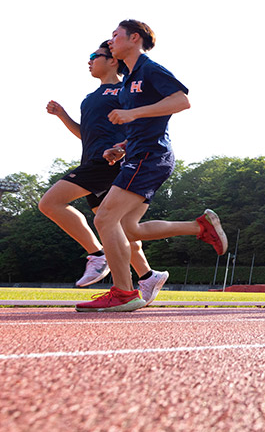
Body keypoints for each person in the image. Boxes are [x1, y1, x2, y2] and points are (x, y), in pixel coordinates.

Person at [75, 19, 227, 312]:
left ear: (134, 38)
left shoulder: (149, 69)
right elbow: (146, 123)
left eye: (115, 36)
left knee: (105, 219)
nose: (111, 42)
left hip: (151, 156)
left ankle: (124, 292)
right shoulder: (130, 79)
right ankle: (199, 227)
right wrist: (122, 147)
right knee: (128, 228)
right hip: (138, 154)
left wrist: (134, 115)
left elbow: (182, 101)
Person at [39, 41, 168, 304]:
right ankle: (147, 276)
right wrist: (63, 116)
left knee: (50, 203)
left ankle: (97, 255)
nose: (89, 61)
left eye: (94, 56)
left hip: (109, 164)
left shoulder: (124, 90)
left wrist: (124, 148)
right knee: (117, 228)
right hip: (93, 161)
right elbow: (84, 135)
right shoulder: (89, 98)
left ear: (112, 61)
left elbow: (141, 126)